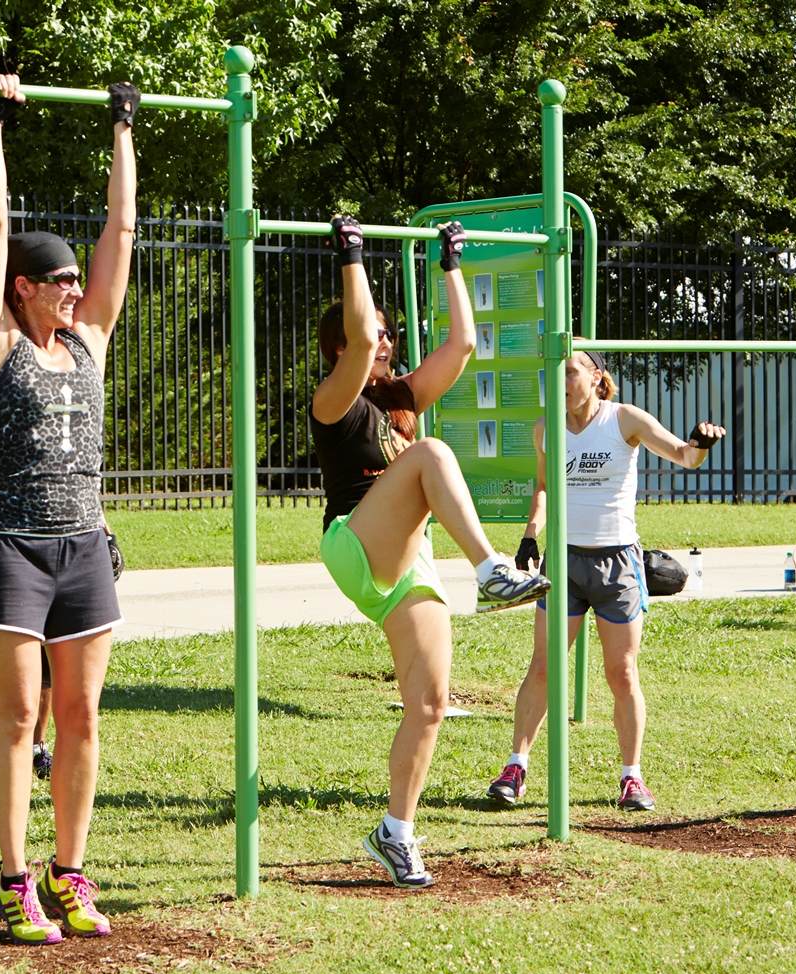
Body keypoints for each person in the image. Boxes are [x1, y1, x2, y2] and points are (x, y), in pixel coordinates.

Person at [310, 215, 551, 888]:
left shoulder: (400, 400)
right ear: (341, 346)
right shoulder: (335, 400)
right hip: (358, 540)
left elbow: (465, 344)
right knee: (431, 455)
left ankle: (397, 832)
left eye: (390, 333)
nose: (386, 340)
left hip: (406, 559)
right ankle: (490, 571)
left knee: (430, 702)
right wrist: (351, 256)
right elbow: (359, 337)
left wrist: (452, 265)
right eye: (378, 332)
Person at [0, 72, 138, 945]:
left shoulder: (89, 342)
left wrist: (123, 127)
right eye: (58, 280)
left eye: (77, 280)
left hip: (83, 547)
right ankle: (13, 879)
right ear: (23, 288)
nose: (75, 288)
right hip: (11, 549)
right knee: (21, 714)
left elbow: (123, 229)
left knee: (82, 715)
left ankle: (70, 874)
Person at [487, 343, 724, 812]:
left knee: (622, 672)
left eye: (571, 372)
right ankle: (516, 766)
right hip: (565, 562)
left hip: (618, 563)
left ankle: (631, 777)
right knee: (543, 666)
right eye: (555, 373)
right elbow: (543, 486)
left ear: (597, 378)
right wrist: (531, 536)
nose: (561, 382)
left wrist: (699, 441)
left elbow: (684, 456)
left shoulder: (624, 420)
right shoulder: (546, 428)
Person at [0, 410, 125, 788]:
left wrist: (99, 522)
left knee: (49, 653)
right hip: (11, 539)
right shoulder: (6, 384)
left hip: (69, 540)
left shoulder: (67, 392)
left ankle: (37, 746)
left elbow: (75, 466)